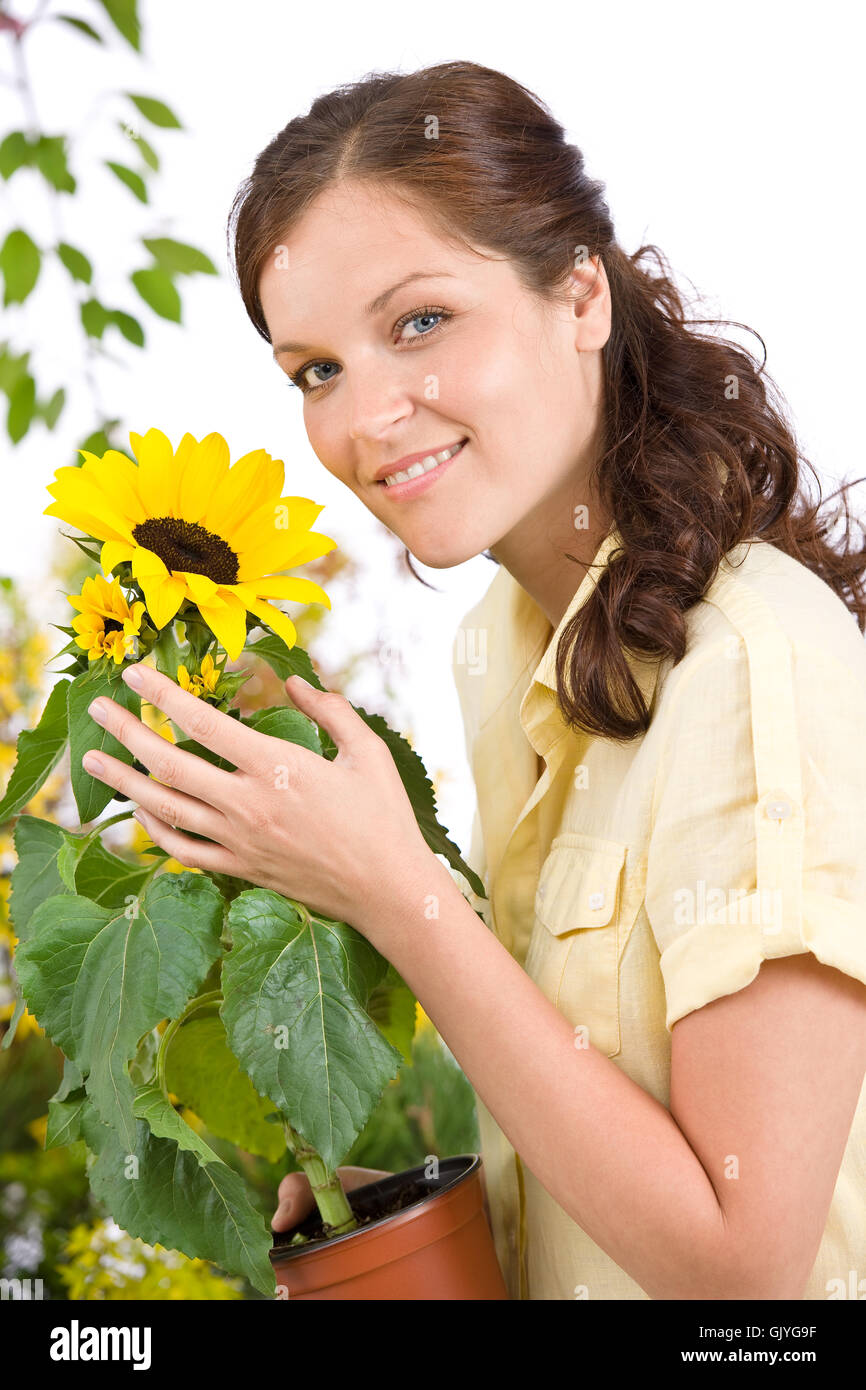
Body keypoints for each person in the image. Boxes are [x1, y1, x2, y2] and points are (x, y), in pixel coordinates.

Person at [228, 60, 866, 1299]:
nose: (368, 417)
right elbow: (605, 1115)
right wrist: (436, 1220)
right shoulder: (508, 652)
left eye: (420, 322)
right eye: (316, 370)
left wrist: (394, 893)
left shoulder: (747, 665)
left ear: (579, 292)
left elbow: (744, 1275)